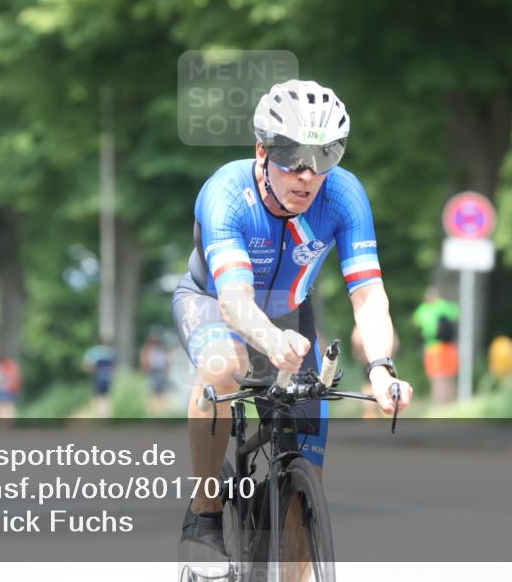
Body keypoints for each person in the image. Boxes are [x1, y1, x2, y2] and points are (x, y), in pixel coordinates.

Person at [171, 79, 413, 559]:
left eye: (324, 158)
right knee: (223, 364)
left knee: (304, 496)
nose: (307, 174)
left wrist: (382, 367)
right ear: (262, 150)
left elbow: (367, 295)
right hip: (214, 303)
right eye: (293, 158)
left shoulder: (343, 196)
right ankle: (206, 515)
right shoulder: (226, 193)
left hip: (289, 316)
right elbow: (235, 301)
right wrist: (267, 336)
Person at [411, 286, 460, 403]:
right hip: (448, 346)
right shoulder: (444, 305)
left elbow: (415, 322)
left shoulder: (424, 309)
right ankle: (452, 402)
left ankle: (440, 402)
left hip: (432, 347)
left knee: (437, 376)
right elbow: (456, 313)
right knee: (449, 376)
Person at [139, 329, 171, 417]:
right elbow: (168, 362)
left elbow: (144, 362)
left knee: (155, 394)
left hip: (155, 373)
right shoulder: (163, 349)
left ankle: (156, 414)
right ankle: (158, 414)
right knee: (158, 395)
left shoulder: (148, 349)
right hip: (157, 373)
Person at [82, 341, 117, 417]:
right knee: (107, 398)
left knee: (99, 398)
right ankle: (106, 416)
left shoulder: (94, 352)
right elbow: (114, 367)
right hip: (108, 379)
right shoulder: (111, 352)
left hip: (98, 378)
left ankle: (102, 417)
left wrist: (93, 372)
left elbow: (87, 366)